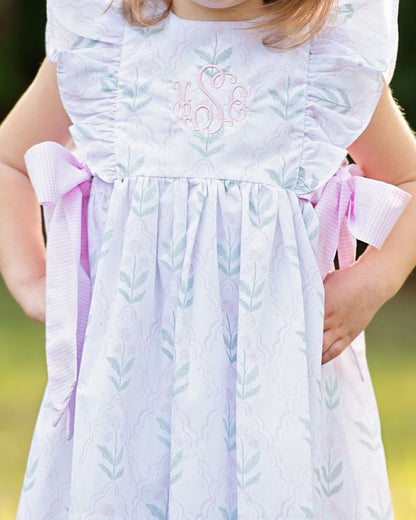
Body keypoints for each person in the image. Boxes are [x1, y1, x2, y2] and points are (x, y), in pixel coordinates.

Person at [0, 0, 415, 517]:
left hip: (277, 386)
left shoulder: (324, 52)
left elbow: (408, 179)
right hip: (129, 395)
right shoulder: (106, 39)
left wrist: (374, 280)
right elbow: (12, 158)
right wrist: (33, 279)